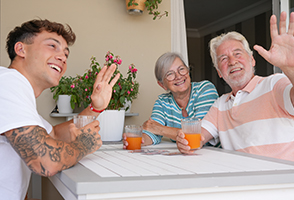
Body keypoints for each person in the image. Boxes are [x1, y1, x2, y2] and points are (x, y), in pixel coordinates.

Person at [0, 19, 119, 199]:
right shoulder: (8, 82)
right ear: (21, 49)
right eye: (52, 46)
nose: (62, 57)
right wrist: (84, 145)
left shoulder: (15, 90)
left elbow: (53, 134)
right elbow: (45, 161)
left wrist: (95, 108)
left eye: (65, 53)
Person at [177, 11, 294, 163]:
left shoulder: (273, 84)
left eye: (237, 53)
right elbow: (199, 137)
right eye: (223, 58)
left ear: (252, 60)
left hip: (285, 180)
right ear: (219, 72)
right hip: (242, 180)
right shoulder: (221, 105)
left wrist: (293, 69)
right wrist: (185, 143)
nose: (232, 61)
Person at [124, 52, 218, 147]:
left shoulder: (205, 89)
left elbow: (200, 136)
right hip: (184, 156)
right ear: (162, 85)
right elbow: (152, 133)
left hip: (215, 154)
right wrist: (139, 140)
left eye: (181, 69)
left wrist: (160, 129)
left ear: (188, 71)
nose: (178, 76)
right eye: (170, 74)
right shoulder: (162, 102)